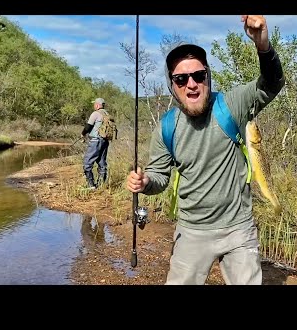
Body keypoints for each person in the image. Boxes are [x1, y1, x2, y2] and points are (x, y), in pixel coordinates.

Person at [126, 15, 285, 285]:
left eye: (199, 75)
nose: (191, 84)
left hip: (239, 228)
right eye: (181, 79)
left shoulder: (231, 105)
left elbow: (271, 83)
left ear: (207, 77)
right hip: (191, 231)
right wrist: (145, 182)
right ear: (172, 85)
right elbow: (159, 177)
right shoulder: (167, 128)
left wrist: (263, 45)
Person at [81, 97, 110, 189]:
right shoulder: (107, 114)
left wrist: (83, 134)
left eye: (94, 104)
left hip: (95, 141)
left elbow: (88, 126)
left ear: (97, 105)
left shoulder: (95, 114)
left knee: (87, 163)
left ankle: (91, 185)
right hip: (105, 141)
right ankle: (101, 184)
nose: (94, 106)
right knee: (102, 163)